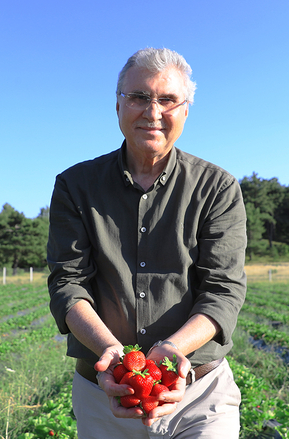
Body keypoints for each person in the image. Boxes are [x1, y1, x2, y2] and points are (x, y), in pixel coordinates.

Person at [46, 47, 247, 439]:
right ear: (118, 105)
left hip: (199, 395)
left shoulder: (217, 188)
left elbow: (223, 290)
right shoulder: (75, 186)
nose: (153, 111)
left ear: (185, 110)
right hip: (103, 395)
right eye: (139, 97)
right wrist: (111, 354)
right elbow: (68, 284)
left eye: (168, 99)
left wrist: (174, 349)